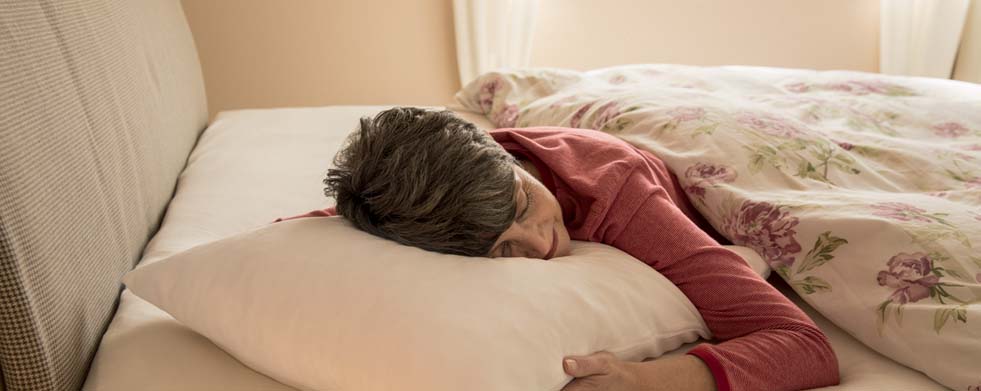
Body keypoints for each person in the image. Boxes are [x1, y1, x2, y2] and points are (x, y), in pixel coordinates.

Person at [277, 107, 840, 391]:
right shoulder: (414, 204)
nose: (541, 245)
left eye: (523, 206)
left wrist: (645, 380)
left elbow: (805, 347)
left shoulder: (619, 195)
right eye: (503, 251)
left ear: (509, 164)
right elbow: (307, 229)